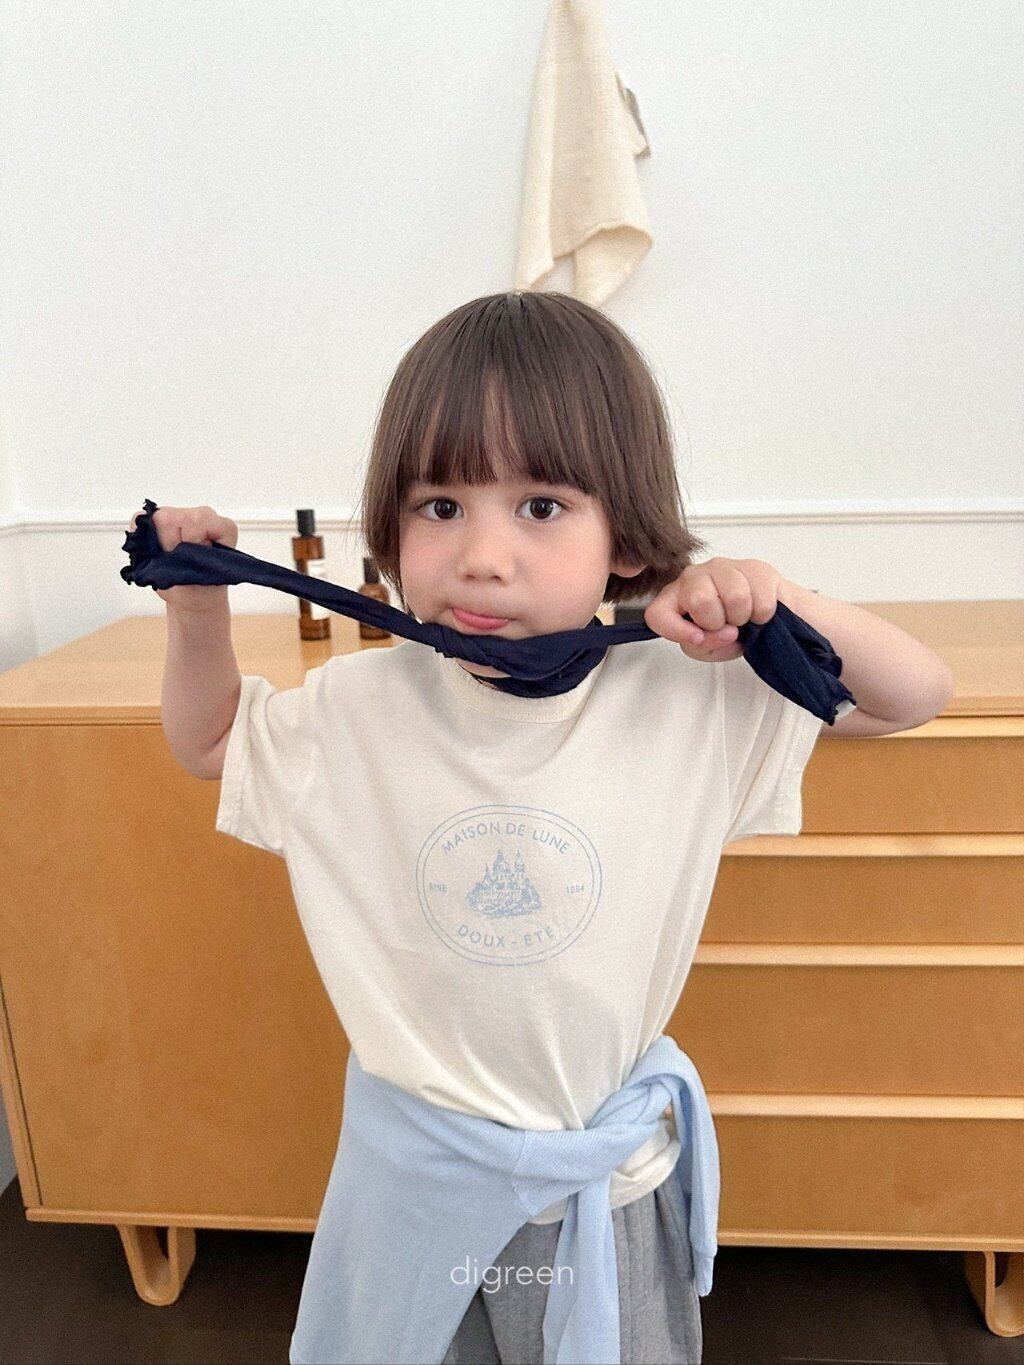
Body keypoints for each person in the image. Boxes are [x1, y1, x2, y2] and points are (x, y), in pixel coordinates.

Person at [146, 290, 955, 1364]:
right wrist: (196, 606)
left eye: (540, 505)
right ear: (389, 530)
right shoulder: (357, 710)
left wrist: (779, 599)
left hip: (599, 1186)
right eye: (440, 505)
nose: (483, 555)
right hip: (416, 1188)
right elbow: (210, 740)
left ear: (626, 540)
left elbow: (915, 696)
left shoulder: (689, 699)